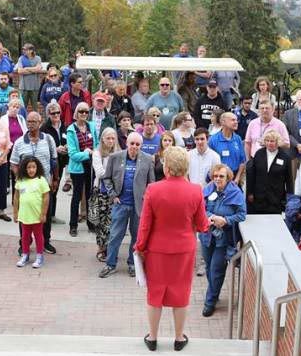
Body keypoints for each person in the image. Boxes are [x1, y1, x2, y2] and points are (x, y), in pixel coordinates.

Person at [133, 146, 208, 351]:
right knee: (181, 293)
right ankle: (178, 337)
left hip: (157, 249)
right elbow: (202, 225)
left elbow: (145, 224)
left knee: (155, 293)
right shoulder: (195, 191)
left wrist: (139, 246)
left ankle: (153, 337)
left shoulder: (153, 189)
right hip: (184, 249)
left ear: (166, 166)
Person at [98, 131, 155, 278]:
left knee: (136, 237)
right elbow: (106, 178)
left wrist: (146, 199)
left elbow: (151, 184)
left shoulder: (148, 160)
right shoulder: (115, 157)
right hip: (121, 204)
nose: (134, 147)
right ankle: (110, 264)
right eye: (132, 143)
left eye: (137, 144)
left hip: (138, 206)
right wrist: (113, 194)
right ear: (127, 143)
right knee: (115, 235)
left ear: (141, 145)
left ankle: (132, 264)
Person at [199, 162, 245, 318]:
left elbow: (242, 215)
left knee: (216, 270)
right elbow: (200, 208)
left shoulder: (236, 192)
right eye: (215, 176)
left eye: (221, 176)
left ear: (228, 178)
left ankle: (209, 302)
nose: (218, 179)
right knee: (208, 267)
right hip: (207, 235)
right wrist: (211, 217)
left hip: (223, 239)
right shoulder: (208, 189)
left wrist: (225, 220)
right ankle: (215, 292)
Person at [10, 111, 58, 254]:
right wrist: (20, 177)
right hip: (26, 186)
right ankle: (24, 242)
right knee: (24, 215)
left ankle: (45, 241)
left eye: (33, 122)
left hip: (44, 184)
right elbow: (13, 163)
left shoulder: (48, 140)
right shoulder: (19, 142)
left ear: (40, 122)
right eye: (28, 122)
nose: (30, 124)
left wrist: (55, 178)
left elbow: (54, 161)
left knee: (45, 214)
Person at [11, 156, 51, 268]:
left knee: (38, 235)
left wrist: (43, 213)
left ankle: (39, 256)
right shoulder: (20, 180)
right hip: (24, 215)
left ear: (37, 168)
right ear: (24, 168)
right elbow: (16, 197)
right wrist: (15, 213)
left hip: (37, 215)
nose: (31, 170)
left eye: (34, 167)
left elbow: (46, 198)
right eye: (29, 167)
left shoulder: (41, 180)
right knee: (25, 236)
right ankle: (25, 254)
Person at [66, 102, 98, 237]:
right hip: (78, 168)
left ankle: (91, 223)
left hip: (91, 166)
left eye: (86, 111)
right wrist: (87, 153)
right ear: (76, 113)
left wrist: (93, 152)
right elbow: (72, 154)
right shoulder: (71, 129)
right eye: (81, 111)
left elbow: (96, 145)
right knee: (77, 196)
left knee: (90, 196)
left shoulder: (91, 126)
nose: (84, 114)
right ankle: (73, 225)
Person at [246, 130, 293, 214]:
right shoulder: (259, 154)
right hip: (258, 197)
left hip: (276, 198)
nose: (269, 143)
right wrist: (250, 192)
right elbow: (252, 175)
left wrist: (289, 198)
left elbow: (289, 179)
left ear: (277, 142)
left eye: (272, 141)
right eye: (267, 141)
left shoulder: (285, 157)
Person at [91, 127, 119, 262]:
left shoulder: (118, 153)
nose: (111, 141)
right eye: (108, 138)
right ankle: (101, 248)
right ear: (102, 138)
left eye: (113, 138)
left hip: (114, 193)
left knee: (113, 221)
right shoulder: (97, 153)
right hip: (101, 193)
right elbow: (100, 173)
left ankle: (110, 248)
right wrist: (114, 174)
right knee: (101, 222)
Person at [41, 101, 69, 219]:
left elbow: (67, 139)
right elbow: (41, 146)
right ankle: (46, 215)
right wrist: (56, 149)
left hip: (61, 162)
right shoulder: (44, 128)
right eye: (53, 113)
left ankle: (52, 215)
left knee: (55, 188)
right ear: (48, 114)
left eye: (58, 112)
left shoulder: (64, 126)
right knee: (48, 188)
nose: (56, 115)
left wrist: (67, 146)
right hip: (49, 163)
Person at [208, 112, 247, 182]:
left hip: (235, 178)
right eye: (233, 120)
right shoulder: (213, 140)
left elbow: (242, 161)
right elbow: (209, 162)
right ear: (223, 122)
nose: (236, 122)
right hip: (219, 178)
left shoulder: (238, 139)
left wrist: (237, 178)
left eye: (236, 120)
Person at [14, 43, 43, 111]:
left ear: (31, 50)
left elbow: (38, 69)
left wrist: (27, 68)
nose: (24, 51)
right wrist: (33, 69)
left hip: (35, 87)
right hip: (24, 88)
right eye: (23, 49)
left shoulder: (38, 58)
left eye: (26, 50)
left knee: (35, 108)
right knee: (22, 108)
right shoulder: (21, 58)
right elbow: (20, 71)